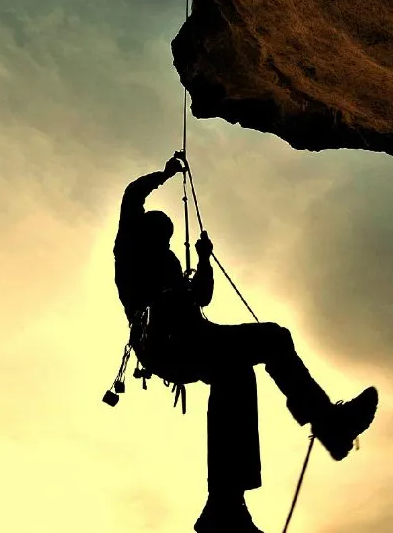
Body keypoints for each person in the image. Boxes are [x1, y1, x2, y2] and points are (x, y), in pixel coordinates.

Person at [113, 157, 378, 533]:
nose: (164, 238)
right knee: (268, 341)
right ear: (144, 229)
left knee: (238, 372)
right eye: (160, 231)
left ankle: (225, 504)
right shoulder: (128, 248)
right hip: (165, 344)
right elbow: (131, 195)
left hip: (193, 340)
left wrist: (203, 261)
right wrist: (166, 175)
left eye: (166, 235)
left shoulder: (170, 261)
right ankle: (327, 426)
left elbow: (201, 297)